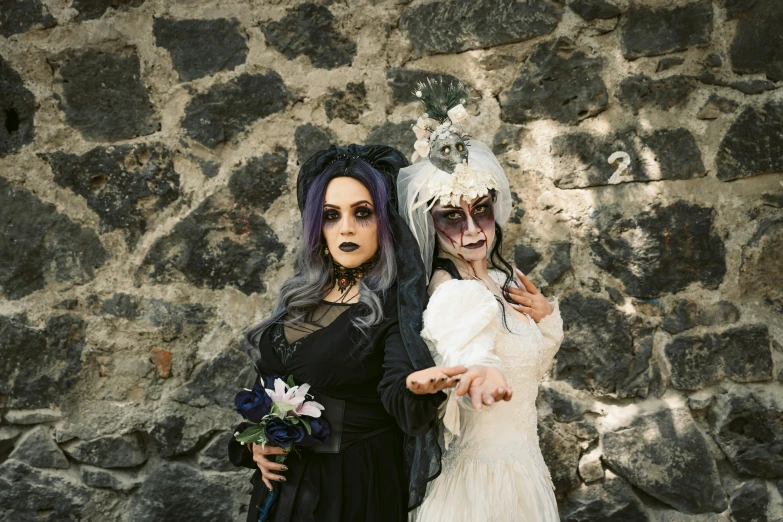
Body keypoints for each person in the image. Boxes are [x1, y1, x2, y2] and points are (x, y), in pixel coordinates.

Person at [227, 144, 512, 522]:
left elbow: (399, 388)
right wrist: (253, 446)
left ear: (386, 222)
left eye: (363, 213)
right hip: (282, 495)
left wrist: (415, 386)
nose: (346, 227)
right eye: (331, 215)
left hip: (352, 491)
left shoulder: (399, 306)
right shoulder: (298, 299)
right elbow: (268, 390)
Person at [398, 82, 565, 522]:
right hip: (481, 487)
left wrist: (545, 321)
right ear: (429, 224)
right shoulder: (452, 292)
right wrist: (480, 372)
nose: (472, 230)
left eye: (481, 211)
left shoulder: (502, 279)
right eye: (452, 216)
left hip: (525, 468)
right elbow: (466, 354)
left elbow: (533, 364)